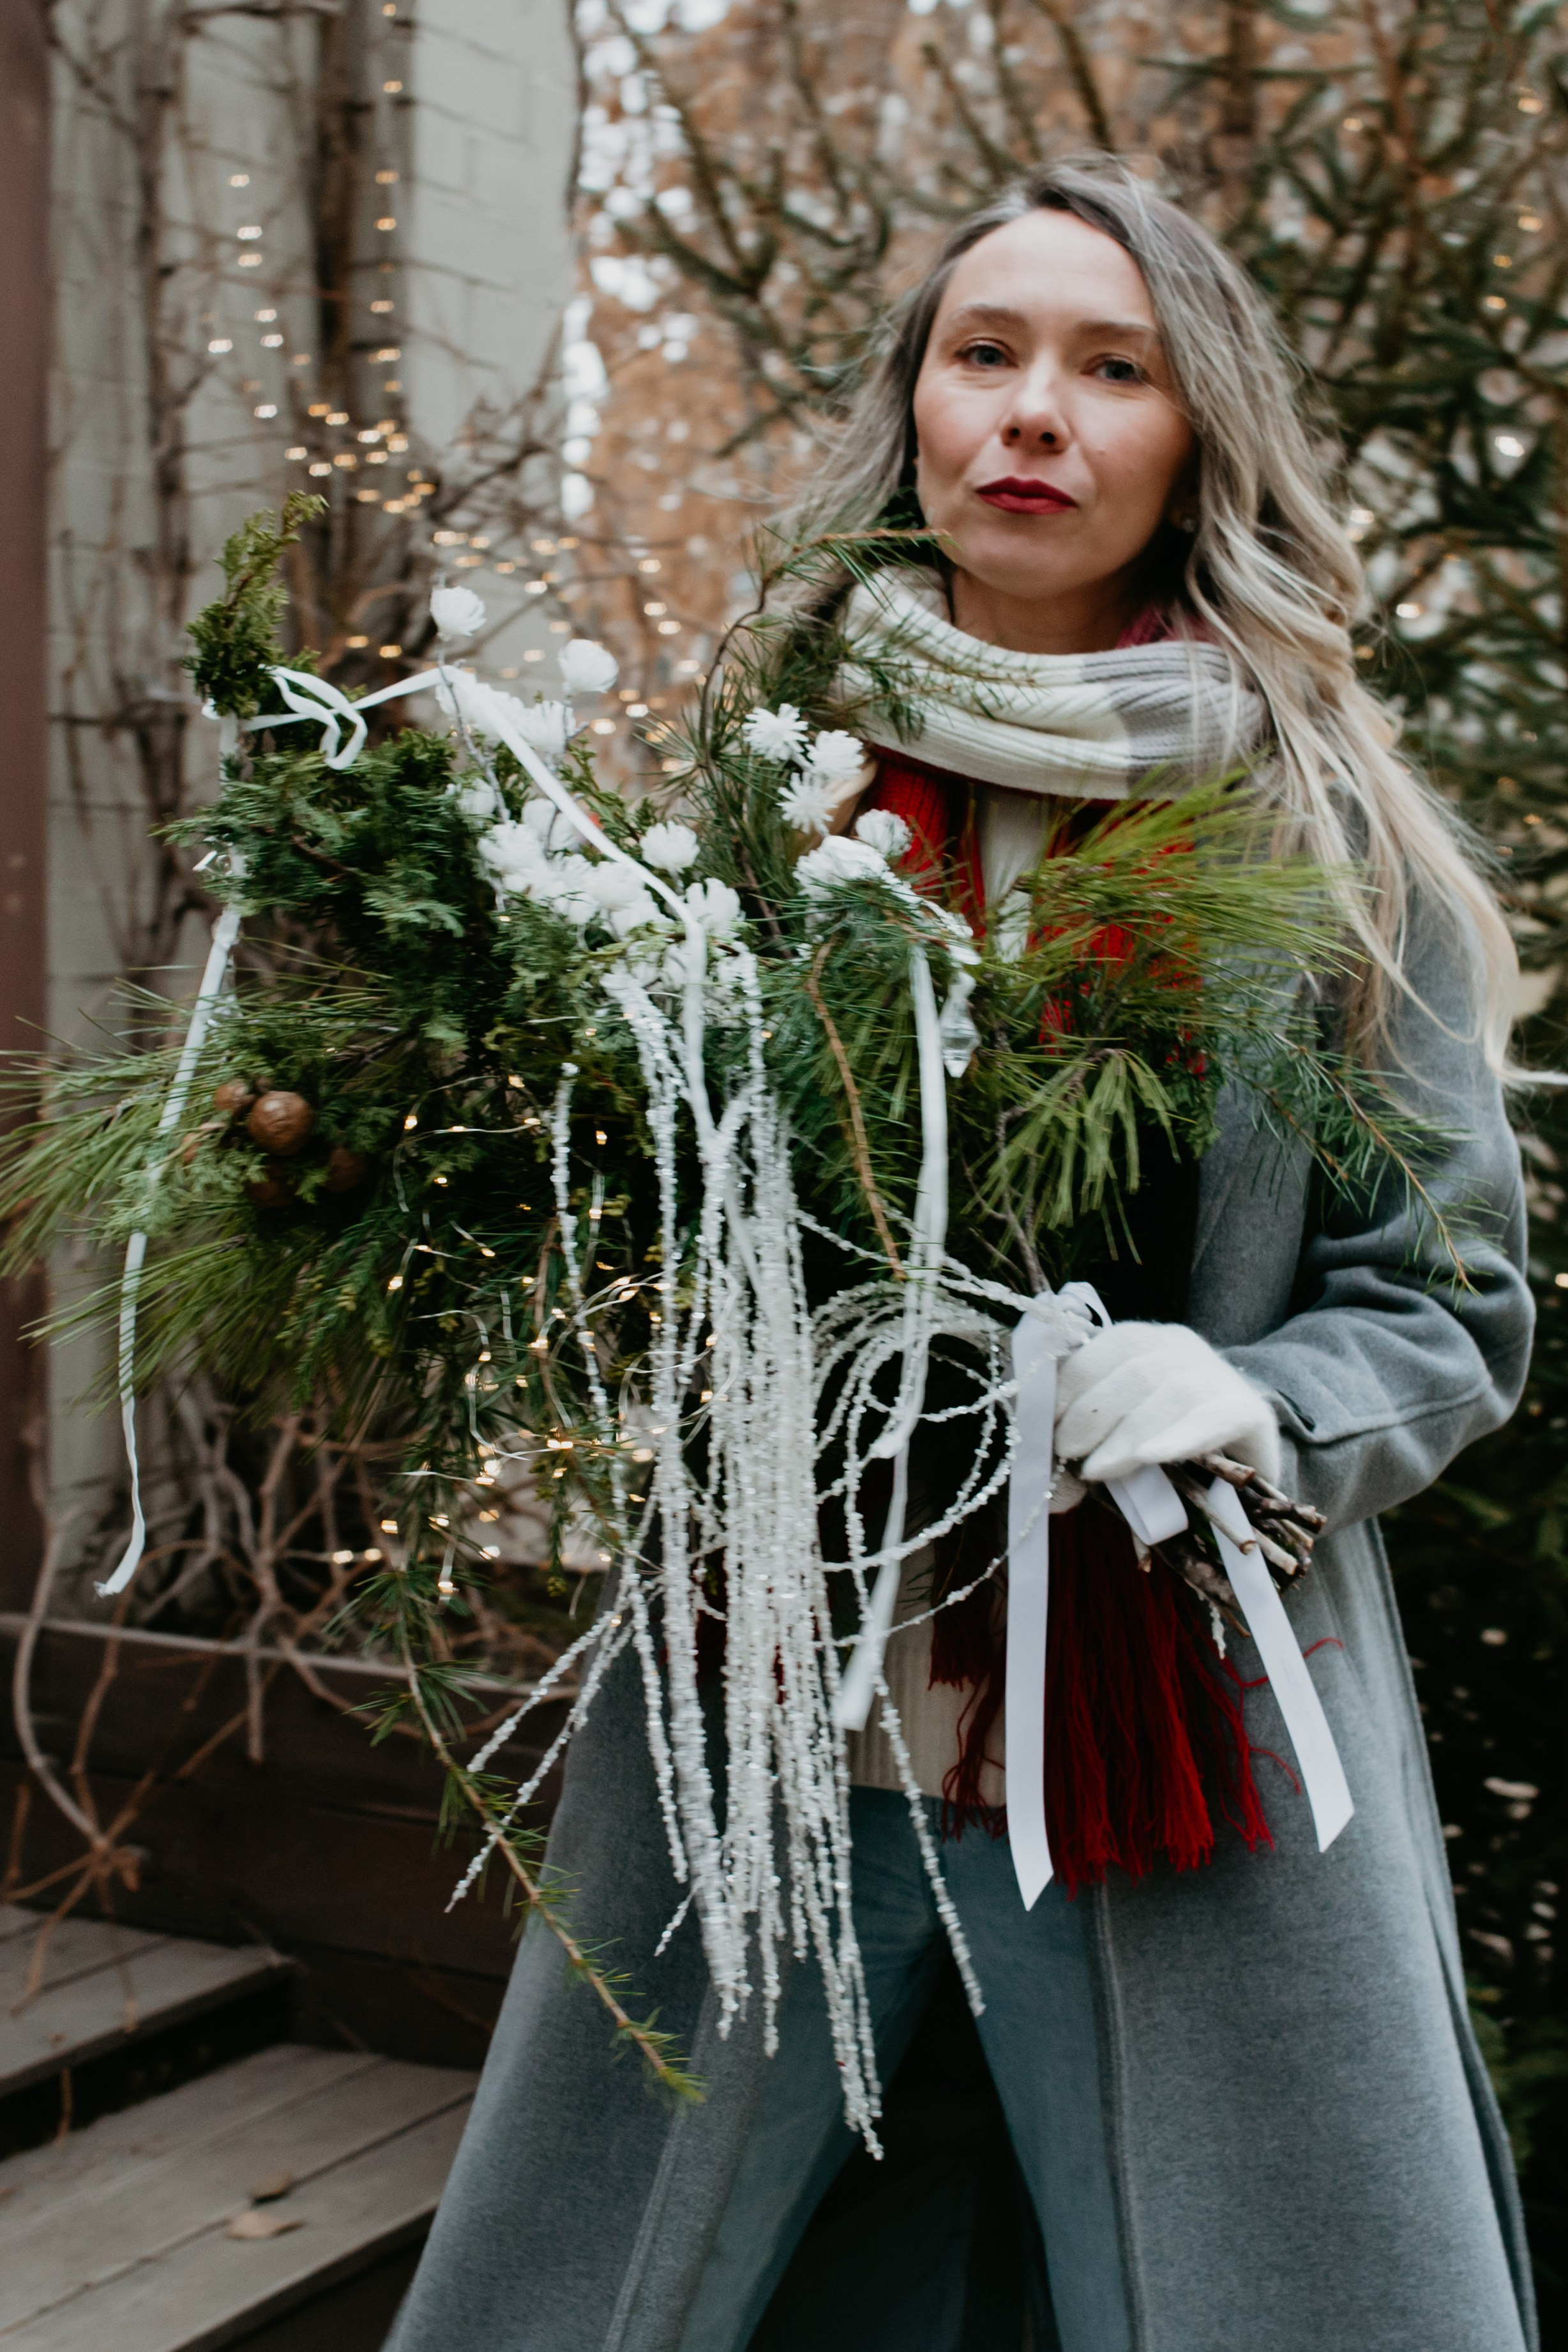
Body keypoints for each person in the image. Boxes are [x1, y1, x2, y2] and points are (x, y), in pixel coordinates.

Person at [385, 160, 1535, 2352]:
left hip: (1168, 1727)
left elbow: (1454, 1302)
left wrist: (1262, 1394)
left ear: (1197, 436)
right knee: (621, 2297)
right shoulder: (759, 792)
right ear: (914, 404)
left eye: (1113, 368)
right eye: (985, 351)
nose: (1035, 410)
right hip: (772, 1723)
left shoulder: (1321, 833)